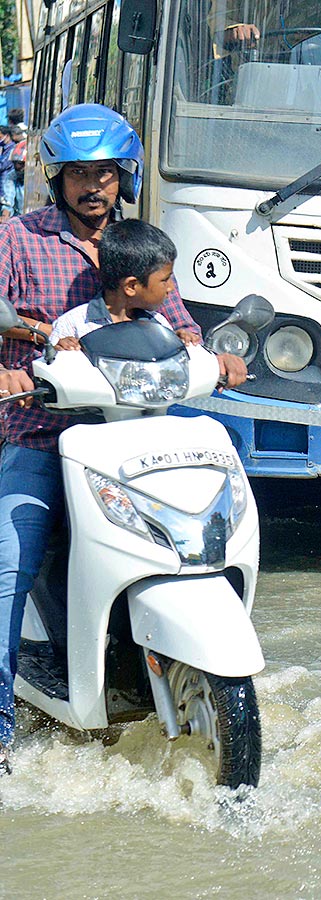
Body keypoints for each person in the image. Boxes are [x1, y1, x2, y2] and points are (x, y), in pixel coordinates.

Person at [0, 104, 247, 776]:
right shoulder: (18, 241)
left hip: (135, 437)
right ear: (58, 179)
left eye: (104, 173)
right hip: (42, 436)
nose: (92, 186)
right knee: (8, 572)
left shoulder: (138, 244)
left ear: (124, 177)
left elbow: (180, 326)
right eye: (79, 173)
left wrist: (212, 355)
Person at [49, 219, 202, 350]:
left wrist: (177, 343)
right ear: (131, 286)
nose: (171, 288)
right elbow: (52, 368)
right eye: (165, 280)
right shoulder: (74, 325)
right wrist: (62, 351)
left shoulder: (159, 325)